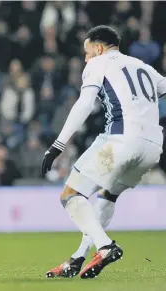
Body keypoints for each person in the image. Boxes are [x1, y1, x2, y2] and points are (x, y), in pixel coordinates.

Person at [41, 25, 165, 279]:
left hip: (121, 141)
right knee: (108, 196)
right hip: (153, 147)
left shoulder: (98, 64)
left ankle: (105, 247)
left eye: (87, 52)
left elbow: (85, 103)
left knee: (71, 195)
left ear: (98, 48)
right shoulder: (143, 67)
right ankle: (78, 258)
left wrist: (58, 144)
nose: (86, 58)